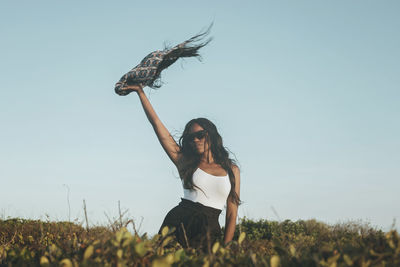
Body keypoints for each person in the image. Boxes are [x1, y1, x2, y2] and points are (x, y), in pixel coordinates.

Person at [121, 84, 241, 251]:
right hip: (179, 221)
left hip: (210, 227)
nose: (196, 140)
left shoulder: (232, 170)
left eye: (200, 135)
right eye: (191, 138)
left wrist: (226, 249)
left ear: (211, 136)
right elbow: (157, 125)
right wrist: (141, 93)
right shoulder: (185, 162)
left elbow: (231, 213)